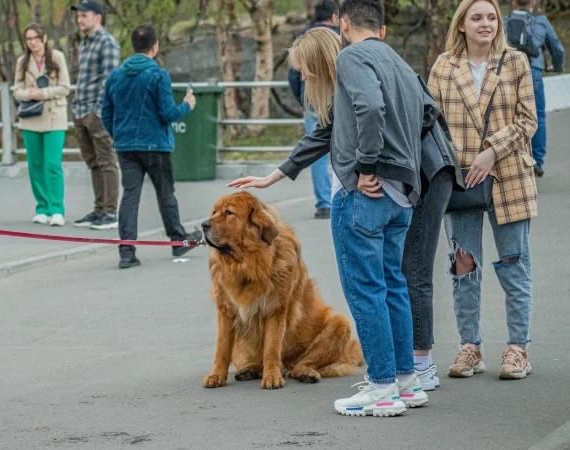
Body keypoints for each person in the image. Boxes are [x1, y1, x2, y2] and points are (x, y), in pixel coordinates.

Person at [229, 0, 439, 416]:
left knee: (366, 292)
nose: (303, 76)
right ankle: (405, 381)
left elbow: (371, 109)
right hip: (402, 195)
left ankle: (381, 388)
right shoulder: (392, 59)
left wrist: (365, 165)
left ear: (342, 26)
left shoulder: (353, 58)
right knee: (392, 286)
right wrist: (276, 174)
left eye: (305, 68)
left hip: (365, 196)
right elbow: (420, 113)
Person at [428, 0, 538, 380]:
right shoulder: (444, 66)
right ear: (461, 25)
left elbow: (528, 120)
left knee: (514, 262)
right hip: (461, 180)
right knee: (463, 265)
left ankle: (517, 348)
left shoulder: (516, 62)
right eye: (476, 17)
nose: (485, 23)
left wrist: (491, 151)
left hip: (509, 175)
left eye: (491, 17)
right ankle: (470, 346)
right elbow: (431, 124)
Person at [101, 24, 203, 269]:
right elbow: (168, 113)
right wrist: (187, 105)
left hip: (126, 146)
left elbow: (106, 113)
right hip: (156, 144)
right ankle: (178, 241)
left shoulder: (115, 76)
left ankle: (127, 252)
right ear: (155, 47)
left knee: (130, 196)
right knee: (165, 193)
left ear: (133, 46)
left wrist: (118, 135)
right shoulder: (158, 74)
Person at [69, 0, 121, 230]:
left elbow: (110, 80)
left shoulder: (107, 43)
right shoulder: (84, 44)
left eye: (84, 15)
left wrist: (99, 111)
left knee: (107, 161)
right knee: (93, 162)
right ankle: (99, 209)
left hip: (96, 113)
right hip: (80, 110)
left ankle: (111, 212)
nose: (80, 20)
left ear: (97, 17)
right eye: (78, 16)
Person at [13, 24, 71, 227]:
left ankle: (57, 209)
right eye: (28, 39)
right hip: (31, 117)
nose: (32, 42)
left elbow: (65, 87)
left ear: (44, 38)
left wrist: (44, 93)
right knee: (35, 165)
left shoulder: (56, 57)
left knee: (52, 164)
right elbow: (16, 90)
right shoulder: (22, 61)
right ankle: (42, 207)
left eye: (36, 38)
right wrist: (28, 94)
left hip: (54, 116)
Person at [287, 0, 340, 219]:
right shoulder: (339, 37)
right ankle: (340, 195)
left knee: (315, 152)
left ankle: (323, 204)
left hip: (311, 102)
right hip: (334, 99)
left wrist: (302, 100)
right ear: (335, 16)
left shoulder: (303, 37)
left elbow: (293, 75)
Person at [504, 0, 564, 177]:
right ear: (535, 3)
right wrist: (557, 66)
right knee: (538, 115)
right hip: (533, 73)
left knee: (507, 114)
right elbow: (558, 49)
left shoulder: (503, 20)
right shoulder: (541, 22)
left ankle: (509, 157)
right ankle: (536, 162)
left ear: (514, 3)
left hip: (507, 74)